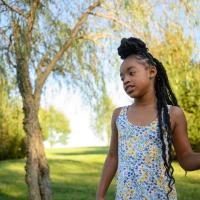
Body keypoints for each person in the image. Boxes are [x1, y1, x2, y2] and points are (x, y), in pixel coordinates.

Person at [96, 37, 200, 200]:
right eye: (122, 77)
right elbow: (112, 157)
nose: (126, 80)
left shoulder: (172, 114)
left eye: (131, 73)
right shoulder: (119, 116)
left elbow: (186, 158)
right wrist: (100, 196)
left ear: (152, 71)